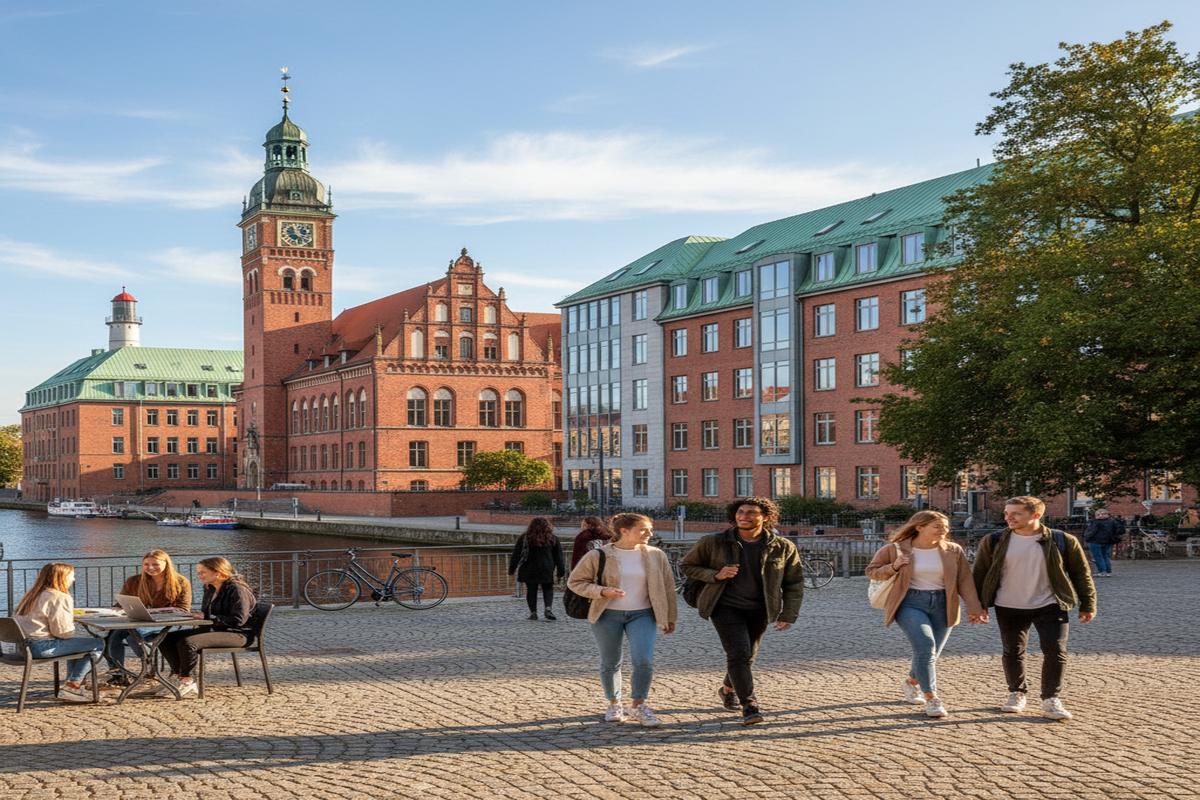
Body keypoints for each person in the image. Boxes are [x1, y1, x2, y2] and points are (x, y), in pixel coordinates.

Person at [679, 496, 804, 725]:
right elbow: (686, 566)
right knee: (738, 653)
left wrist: (789, 614)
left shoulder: (783, 546)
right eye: (740, 512)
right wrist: (715, 575)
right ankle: (750, 704)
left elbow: (794, 583)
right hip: (724, 606)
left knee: (747, 656)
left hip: (760, 609)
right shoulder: (713, 542)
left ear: (765, 517)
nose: (743, 516)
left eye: (750, 513)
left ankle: (728, 688)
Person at [973, 496, 1096, 720]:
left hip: (1050, 603)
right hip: (1008, 604)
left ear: (1036, 515)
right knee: (1013, 651)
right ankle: (1017, 693)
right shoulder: (994, 540)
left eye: (1016, 513)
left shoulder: (1062, 540)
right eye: (1007, 513)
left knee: (1056, 651)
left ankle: (1051, 699)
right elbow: (979, 574)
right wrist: (978, 606)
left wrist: (1088, 603)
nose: (1008, 517)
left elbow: (1081, 573)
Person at [865, 510, 986, 718]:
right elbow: (872, 571)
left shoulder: (953, 550)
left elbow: (965, 581)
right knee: (926, 646)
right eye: (938, 526)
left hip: (943, 602)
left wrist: (974, 609)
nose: (944, 530)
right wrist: (894, 566)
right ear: (919, 527)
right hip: (910, 602)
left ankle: (911, 681)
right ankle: (932, 698)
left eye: (946, 527)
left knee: (931, 654)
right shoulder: (895, 549)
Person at [567, 513, 677, 726]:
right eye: (643, 529)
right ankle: (614, 703)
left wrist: (669, 616)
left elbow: (668, 588)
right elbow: (575, 582)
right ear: (624, 531)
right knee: (610, 662)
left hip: (643, 614)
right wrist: (602, 591)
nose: (649, 534)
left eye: (650, 529)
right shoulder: (599, 555)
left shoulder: (656, 555)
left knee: (643, 660)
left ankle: (638, 705)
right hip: (607, 615)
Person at [158, 557, 257, 698]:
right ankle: (178, 676)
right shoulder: (210, 588)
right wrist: (196, 616)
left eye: (203, 572)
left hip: (238, 634)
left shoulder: (237, 589)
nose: (199, 575)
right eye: (198, 572)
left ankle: (187, 680)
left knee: (188, 643)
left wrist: (208, 618)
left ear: (218, 572)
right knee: (165, 638)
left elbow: (238, 620)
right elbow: (207, 614)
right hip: (216, 629)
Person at [12, 563, 105, 703]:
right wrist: (71, 623)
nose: (73, 579)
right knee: (98, 643)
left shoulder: (31, 595)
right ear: (62, 577)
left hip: (22, 647)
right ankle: (72, 686)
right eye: (72, 576)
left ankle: (71, 687)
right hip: (41, 648)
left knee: (78, 646)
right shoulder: (58, 597)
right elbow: (63, 634)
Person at [102, 549, 192, 686]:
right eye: (146, 564)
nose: (150, 568)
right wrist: (116, 610)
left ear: (166, 564)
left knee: (133, 635)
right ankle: (118, 674)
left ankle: (148, 663)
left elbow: (184, 609)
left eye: (155, 564)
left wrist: (156, 612)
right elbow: (121, 604)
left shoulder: (180, 582)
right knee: (112, 636)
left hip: (168, 622)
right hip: (138, 620)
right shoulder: (134, 581)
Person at [508, 517, 566, 620]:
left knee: (531, 590)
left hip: (529, 568)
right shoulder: (552, 538)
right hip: (546, 567)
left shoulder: (525, 538)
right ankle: (548, 609)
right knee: (548, 588)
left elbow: (516, 554)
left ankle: (533, 612)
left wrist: (511, 569)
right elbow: (558, 557)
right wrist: (561, 571)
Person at [1083, 509, 1124, 577]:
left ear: (1107, 514)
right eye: (1098, 514)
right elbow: (1120, 530)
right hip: (1107, 541)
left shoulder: (1095, 522)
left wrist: (1086, 537)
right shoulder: (1112, 521)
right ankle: (1108, 571)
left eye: (1102, 514)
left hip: (1095, 541)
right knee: (1105, 556)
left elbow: (1092, 532)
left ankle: (1102, 571)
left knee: (1098, 557)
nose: (1100, 515)